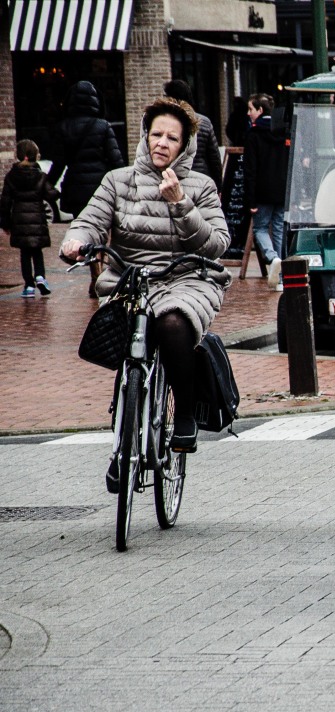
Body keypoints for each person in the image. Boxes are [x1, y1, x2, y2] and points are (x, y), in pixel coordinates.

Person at [60, 96, 231, 464]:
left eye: (172, 138)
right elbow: (91, 219)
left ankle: (183, 414)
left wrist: (182, 204)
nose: (162, 143)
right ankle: (124, 434)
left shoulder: (200, 186)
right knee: (125, 336)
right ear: (145, 136)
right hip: (131, 277)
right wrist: (77, 241)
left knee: (172, 322)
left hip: (186, 278)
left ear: (184, 145)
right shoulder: (118, 181)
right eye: (156, 134)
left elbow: (216, 244)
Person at [46, 80, 125, 297]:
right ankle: (102, 273)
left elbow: (58, 163)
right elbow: (116, 160)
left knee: (87, 229)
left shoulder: (63, 128)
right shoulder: (103, 126)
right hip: (102, 187)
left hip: (77, 187)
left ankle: (96, 274)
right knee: (105, 230)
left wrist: (45, 185)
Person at [0, 139, 60, 297]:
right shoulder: (40, 176)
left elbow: (5, 201)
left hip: (19, 221)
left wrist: (5, 222)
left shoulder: (11, 176)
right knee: (37, 251)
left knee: (25, 254)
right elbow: (51, 195)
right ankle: (40, 276)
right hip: (37, 218)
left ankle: (28, 285)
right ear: (34, 156)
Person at [242, 93, 288, 287]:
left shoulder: (253, 134)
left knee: (260, 227)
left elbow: (250, 169)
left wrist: (250, 199)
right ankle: (280, 277)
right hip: (282, 189)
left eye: (251, 109)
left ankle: (272, 258)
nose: (248, 113)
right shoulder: (284, 131)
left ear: (260, 111)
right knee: (278, 229)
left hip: (261, 190)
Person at [163, 79, 222, 193]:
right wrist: (218, 187)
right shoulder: (204, 122)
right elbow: (214, 159)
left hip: (173, 181)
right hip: (201, 179)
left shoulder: (164, 122)